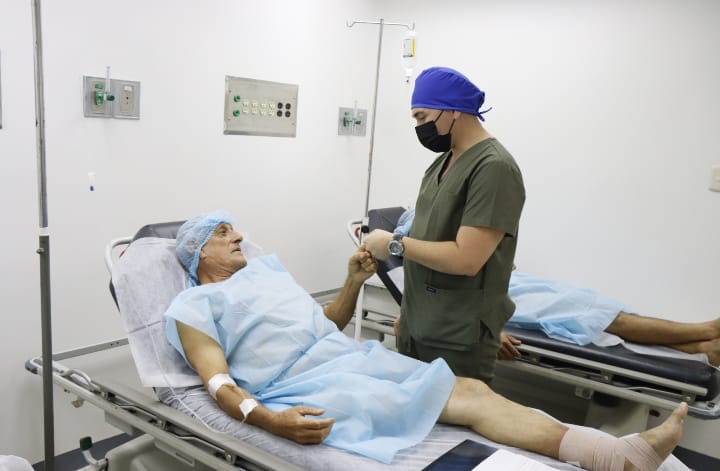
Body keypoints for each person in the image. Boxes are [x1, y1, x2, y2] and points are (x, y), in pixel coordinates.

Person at [164, 211, 687, 469]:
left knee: (471, 390)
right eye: (223, 233)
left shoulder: (268, 275)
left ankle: (612, 456)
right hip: (304, 386)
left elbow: (328, 324)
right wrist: (270, 420)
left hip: (348, 357)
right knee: (449, 398)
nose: (238, 236)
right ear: (199, 253)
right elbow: (218, 383)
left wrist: (353, 281)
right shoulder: (193, 305)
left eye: (234, 229)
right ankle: (615, 458)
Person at [364, 66, 525, 383]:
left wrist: (394, 244)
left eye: (422, 116)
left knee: (450, 414)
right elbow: (428, 237)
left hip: (457, 335)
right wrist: (408, 313)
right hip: (419, 325)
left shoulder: (493, 168)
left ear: (453, 110)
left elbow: (467, 259)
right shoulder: (442, 162)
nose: (419, 127)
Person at [497, 271, 720, 365]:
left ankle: (700, 349)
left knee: (595, 311)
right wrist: (489, 329)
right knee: (597, 317)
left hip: (512, 282)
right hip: (499, 299)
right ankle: (706, 331)